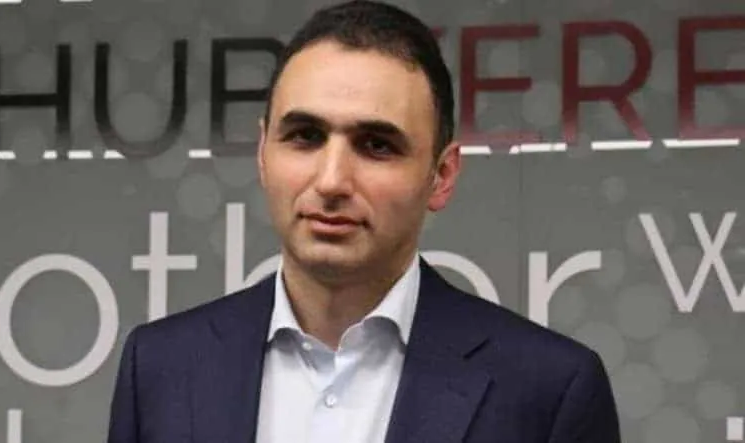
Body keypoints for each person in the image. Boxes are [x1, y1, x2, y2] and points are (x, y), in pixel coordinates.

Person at [107, 1, 621, 442]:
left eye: (376, 145)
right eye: (305, 136)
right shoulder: (158, 368)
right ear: (263, 153)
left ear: (442, 175)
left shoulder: (550, 390)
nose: (332, 180)